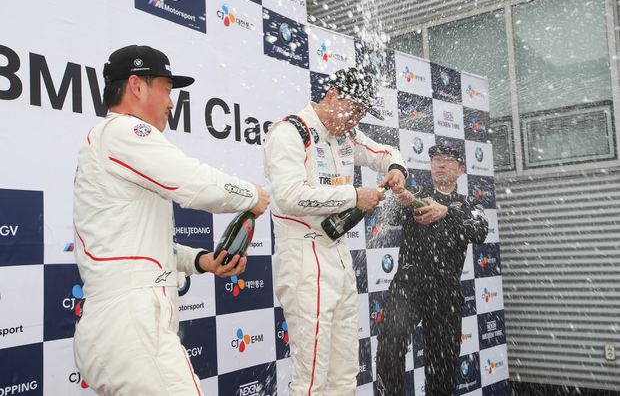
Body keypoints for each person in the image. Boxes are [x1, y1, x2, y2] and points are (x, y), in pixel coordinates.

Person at [72, 45, 270, 396]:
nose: (172, 102)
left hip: (122, 326)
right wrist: (252, 196)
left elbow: (143, 249)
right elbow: (193, 183)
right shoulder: (123, 131)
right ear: (136, 86)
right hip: (131, 327)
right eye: (166, 89)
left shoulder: (111, 142)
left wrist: (201, 261)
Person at [264, 67, 408, 395]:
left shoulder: (346, 135)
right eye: (352, 110)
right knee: (311, 377)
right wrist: (354, 196)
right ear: (332, 95)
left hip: (338, 256)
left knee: (345, 372)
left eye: (360, 114)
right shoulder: (290, 132)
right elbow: (288, 196)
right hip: (303, 255)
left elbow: (385, 153)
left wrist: (396, 168)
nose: (354, 121)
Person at [375, 143, 489, 396]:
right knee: (390, 347)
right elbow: (388, 217)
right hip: (408, 284)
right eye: (437, 159)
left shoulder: (468, 204)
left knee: (443, 361)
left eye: (448, 160)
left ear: (461, 169)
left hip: (445, 289)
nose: (441, 164)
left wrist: (445, 212)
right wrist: (399, 199)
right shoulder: (416, 194)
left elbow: (480, 230)